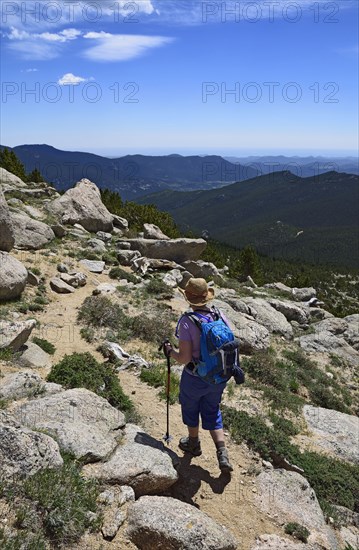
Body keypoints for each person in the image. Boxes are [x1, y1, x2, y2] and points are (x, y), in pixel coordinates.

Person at [164, 277, 233, 473]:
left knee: (191, 408)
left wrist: (170, 351)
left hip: (195, 377)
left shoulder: (188, 321)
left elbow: (184, 358)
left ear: (188, 298)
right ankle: (222, 453)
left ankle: (193, 443)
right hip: (219, 376)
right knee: (212, 410)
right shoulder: (219, 315)